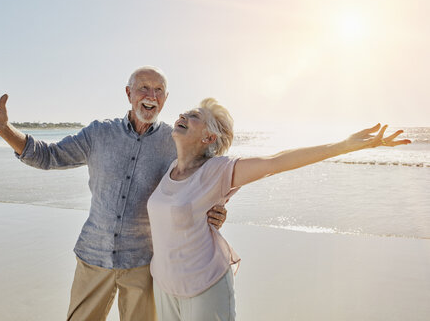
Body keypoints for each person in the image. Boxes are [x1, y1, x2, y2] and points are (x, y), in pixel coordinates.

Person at [0, 66, 228, 321]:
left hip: (144, 262)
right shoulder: (99, 132)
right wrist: (3, 128)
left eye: (159, 90)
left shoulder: (176, 140)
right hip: (93, 255)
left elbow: (204, 176)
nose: (151, 95)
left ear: (166, 98)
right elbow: (48, 156)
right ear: (128, 93)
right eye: (144, 88)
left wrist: (215, 208)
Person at [146, 98, 411, 321]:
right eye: (186, 112)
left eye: (194, 116)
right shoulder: (169, 167)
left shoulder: (218, 170)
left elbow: (276, 161)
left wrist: (345, 145)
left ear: (209, 137)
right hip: (164, 283)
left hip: (204, 283)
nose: (182, 115)